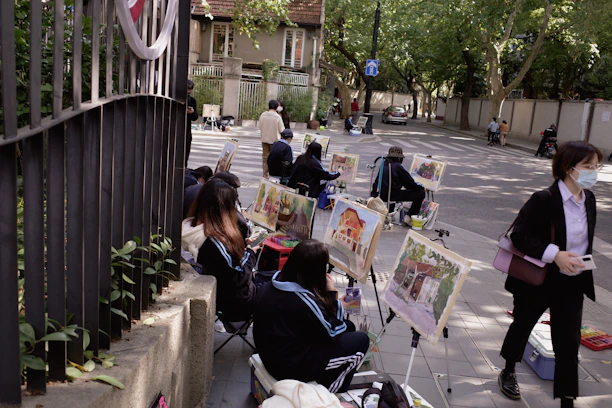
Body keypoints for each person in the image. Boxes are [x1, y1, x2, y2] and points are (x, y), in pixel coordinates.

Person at [498, 141, 601, 408]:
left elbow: (583, 240)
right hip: (539, 279)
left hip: (572, 281)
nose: (594, 171)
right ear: (569, 168)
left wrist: (579, 261)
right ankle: (508, 370)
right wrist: (555, 254)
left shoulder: (589, 199)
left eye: (596, 166)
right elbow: (519, 235)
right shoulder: (543, 199)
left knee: (568, 341)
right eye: (588, 166)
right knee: (522, 325)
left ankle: (567, 397)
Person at [253, 240, 370, 394]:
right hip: (287, 367)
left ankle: (324, 379)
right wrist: (334, 297)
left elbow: (321, 322)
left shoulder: (273, 283)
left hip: (271, 354)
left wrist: (335, 305)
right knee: (361, 341)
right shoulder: (302, 301)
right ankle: (329, 394)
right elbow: (333, 332)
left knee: (349, 327)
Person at [182, 179, 261, 321]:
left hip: (225, 291)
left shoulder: (193, 226)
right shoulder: (211, 241)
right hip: (235, 300)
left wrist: (243, 247)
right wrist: (250, 253)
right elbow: (238, 275)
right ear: (223, 208)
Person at [370, 146, 425, 219]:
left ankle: (389, 213)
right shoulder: (397, 166)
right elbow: (410, 184)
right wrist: (421, 187)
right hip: (392, 195)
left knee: (392, 189)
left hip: (381, 194)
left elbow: (377, 181)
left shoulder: (383, 164)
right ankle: (410, 217)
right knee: (420, 193)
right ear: (399, 158)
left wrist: (373, 194)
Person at [259, 100, 285, 178]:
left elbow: (260, 126)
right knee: (274, 158)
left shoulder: (263, 115)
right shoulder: (277, 117)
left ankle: (265, 174)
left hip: (264, 139)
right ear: (276, 107)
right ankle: (273, 173)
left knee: (265, 157)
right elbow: (282, 130)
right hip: (275, 141)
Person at [185, 80, 199, 167]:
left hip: (186, 129)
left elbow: (195, 117)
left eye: (190, 89)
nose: (188, 91)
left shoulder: (192, 100)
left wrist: (192, 112)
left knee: (186, 152)